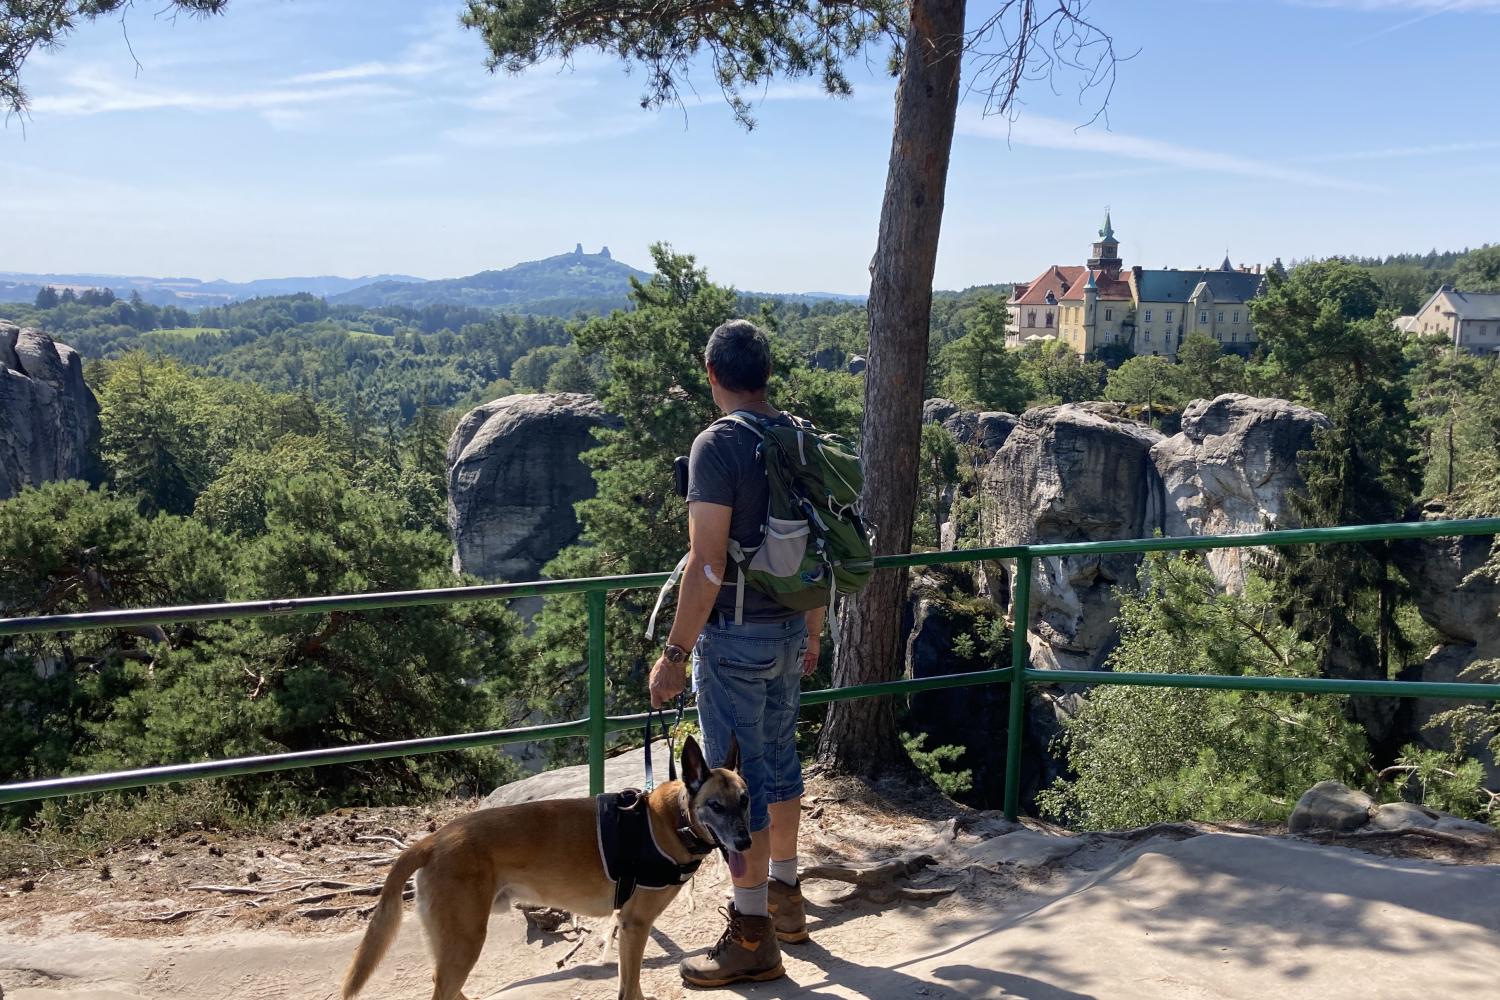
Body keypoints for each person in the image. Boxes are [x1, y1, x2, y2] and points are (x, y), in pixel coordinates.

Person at [648, 318, 823, 986]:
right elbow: (817, 551)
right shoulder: (797, 436)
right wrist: (811, 632)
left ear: (713, 374)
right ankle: (784, 899)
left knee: (728, 784)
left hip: (736, 640)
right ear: (765, 374)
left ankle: (752, 938)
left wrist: (673, 654)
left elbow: (707, 563)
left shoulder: (716, 446)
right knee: (778, 766)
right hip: (786, 634)